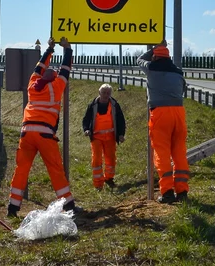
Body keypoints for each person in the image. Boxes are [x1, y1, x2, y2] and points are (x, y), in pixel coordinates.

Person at [7, 36, 75, 217]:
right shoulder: (56, 87)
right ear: (53, 78)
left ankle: (13, 207)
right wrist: (67, 49)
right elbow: (66, 69)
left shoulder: (32, 85)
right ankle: (68, 204)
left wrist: (49, 50)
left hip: (26, 132)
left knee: (21, 169)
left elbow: (39, 67)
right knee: (55, 169)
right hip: (45, 133)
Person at [137, 41, 189, 203]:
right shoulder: (178, 72)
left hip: (160, 113)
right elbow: (183, 89)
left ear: (155, 57)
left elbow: (138, 59)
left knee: (162, 152)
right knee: (179, 151)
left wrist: (153, 47)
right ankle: (182, 192)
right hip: (179, 113)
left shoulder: (151, 68)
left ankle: (166, 192)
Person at [81, 83, 126, 190]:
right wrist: (86, 129)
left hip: (110, 136)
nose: (106, 95)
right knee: (96, 159)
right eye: (104, 93)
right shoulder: (92, 105)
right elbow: (86, 119)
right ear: (99, 93)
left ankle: (109, 178)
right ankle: (98, 183)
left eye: (108, 93)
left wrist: (121, 134)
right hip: (96, 137)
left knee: (110, 159)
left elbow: (120, 121)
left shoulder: (115, 105)